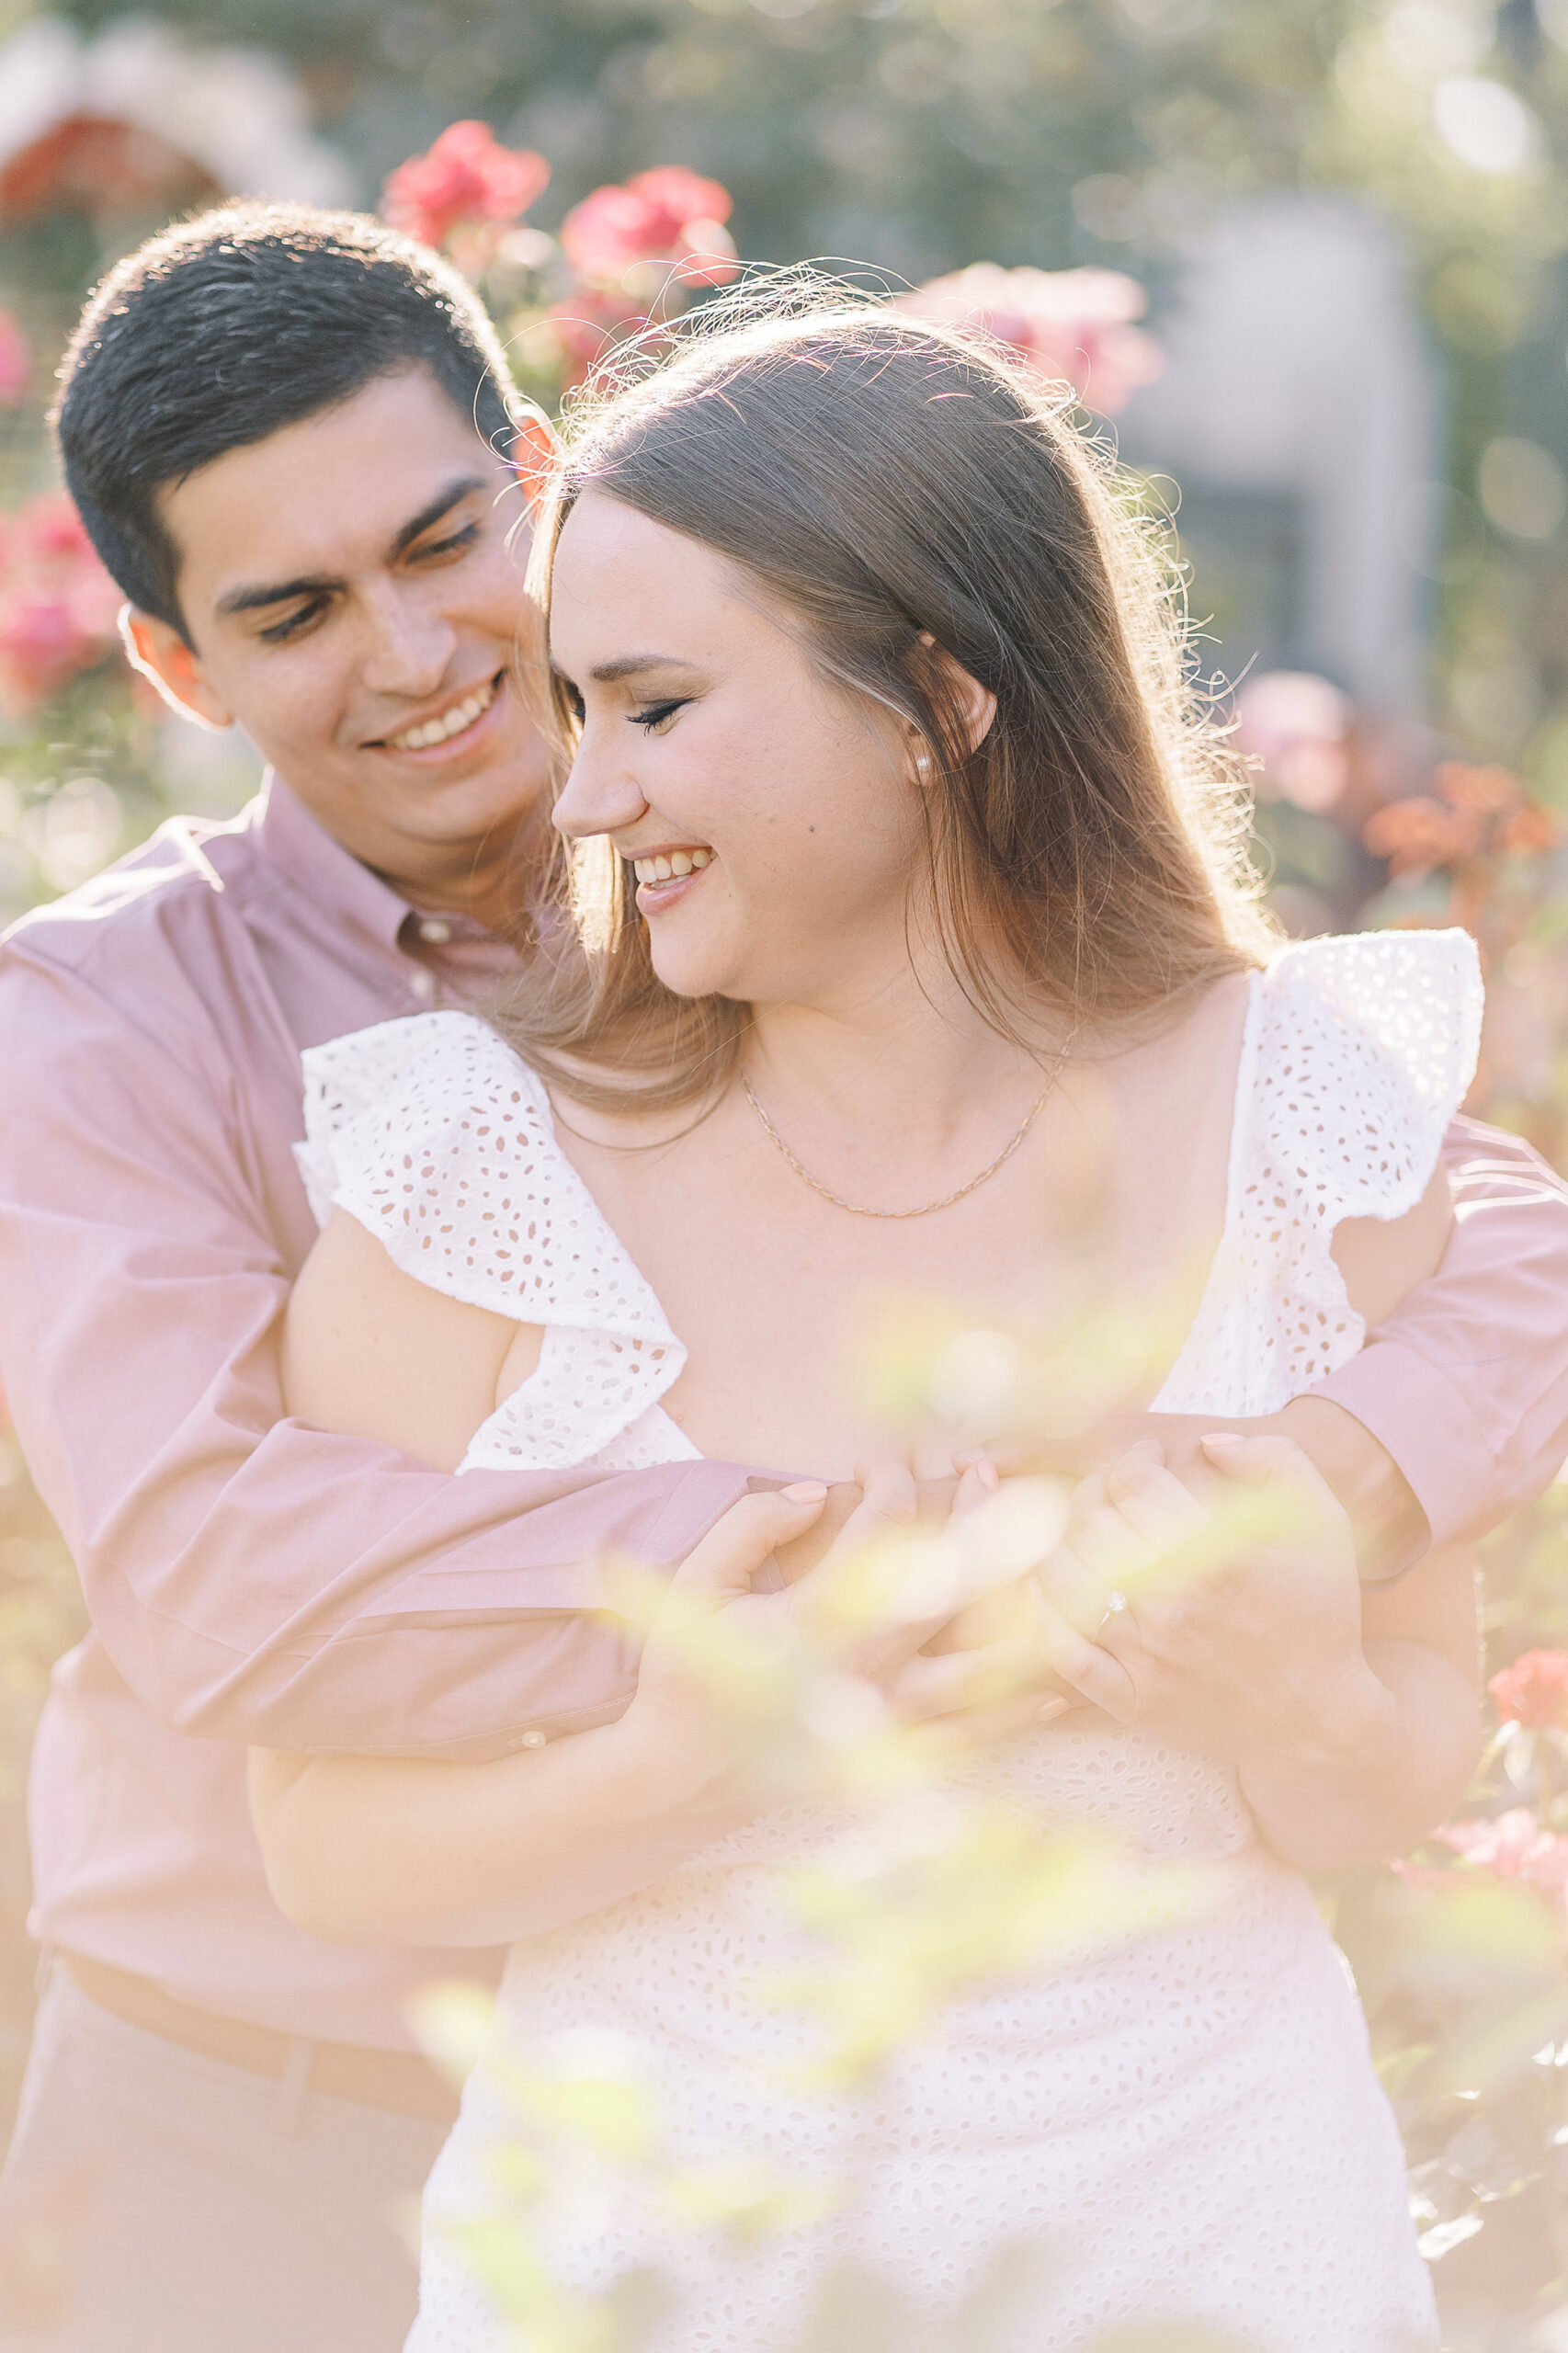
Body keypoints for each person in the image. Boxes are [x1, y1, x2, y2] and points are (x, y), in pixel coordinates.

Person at [0, 205, 1562, 2353]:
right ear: (178, 665)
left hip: (1196, 2222)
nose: (433, 664)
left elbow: (1480, 1275)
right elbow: (217, 1591)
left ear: (536, 486)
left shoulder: (1247, 1088)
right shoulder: (187, 1061)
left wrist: (1316, 1493)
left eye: (449, 545)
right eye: (290, 610)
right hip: (263, 2116)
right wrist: (840, 1587)